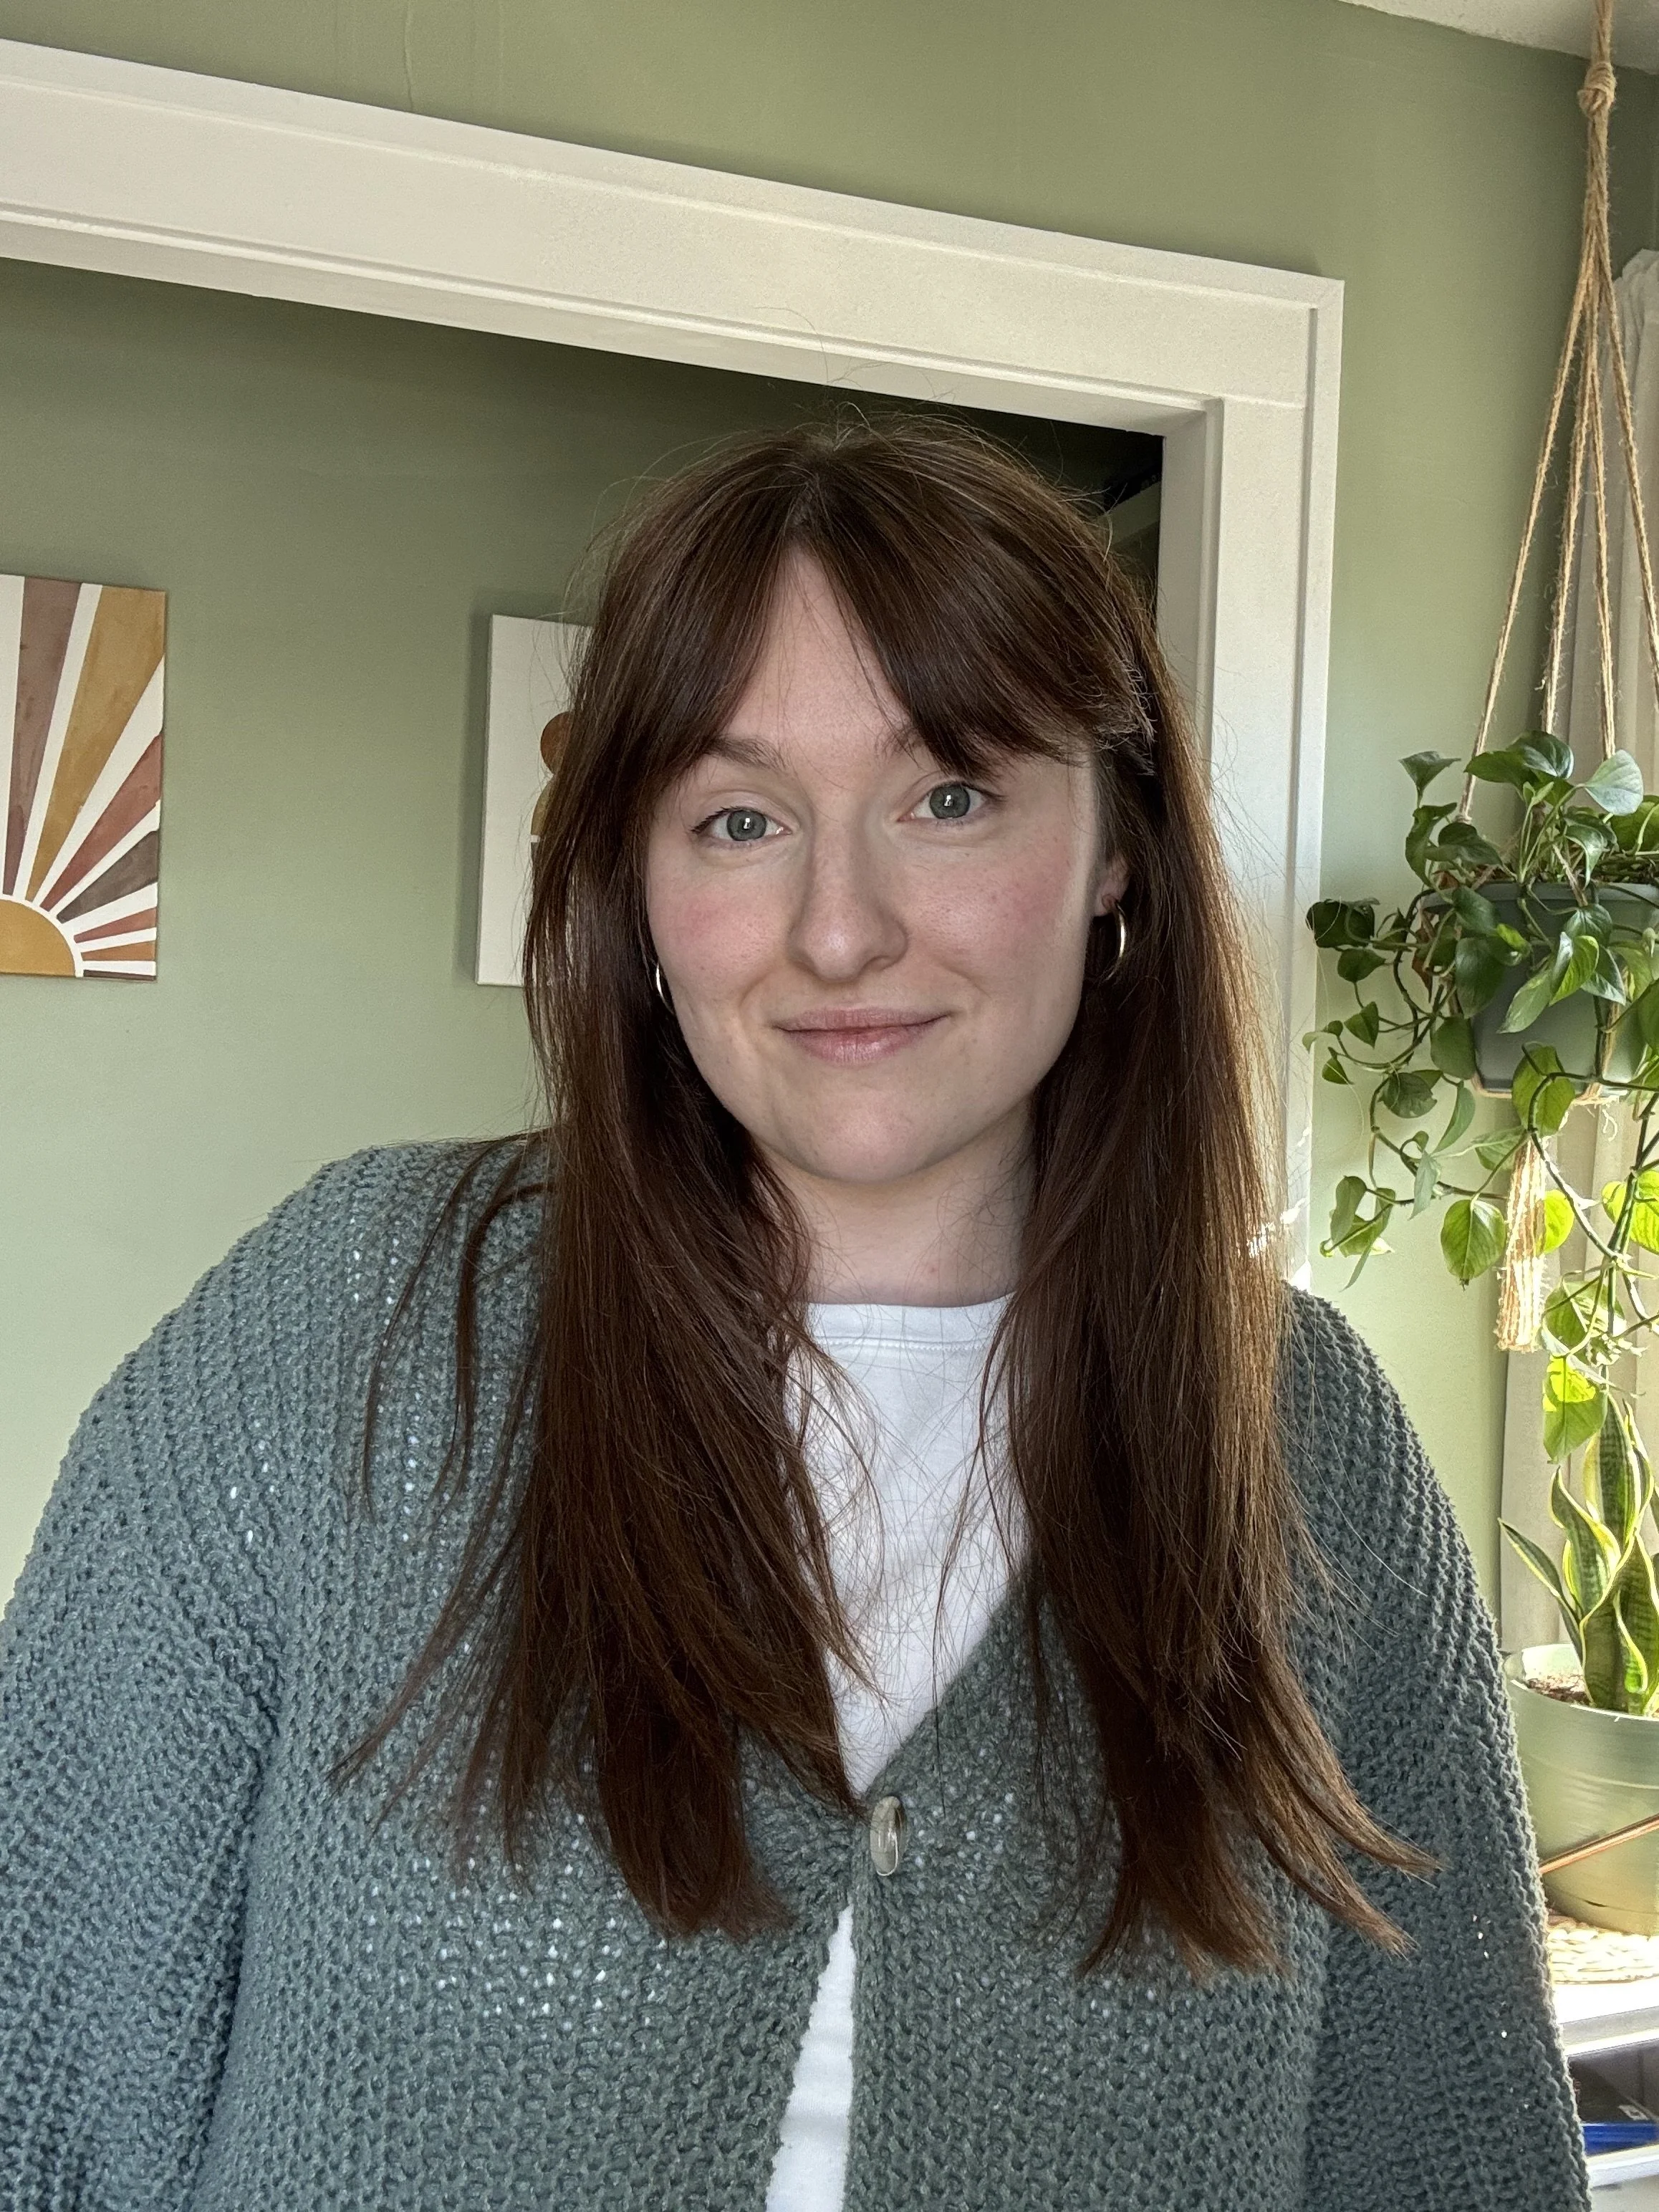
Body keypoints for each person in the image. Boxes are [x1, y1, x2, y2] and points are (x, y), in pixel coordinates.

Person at [0, 414, 1590, 2210]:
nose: (838, 930)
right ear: (642, 889)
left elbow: (1459, 2166)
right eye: (741, 817)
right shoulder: (349, 1329)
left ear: (1117, 849)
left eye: (951, 793)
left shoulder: (1305, 1439)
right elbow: (38, 2070)